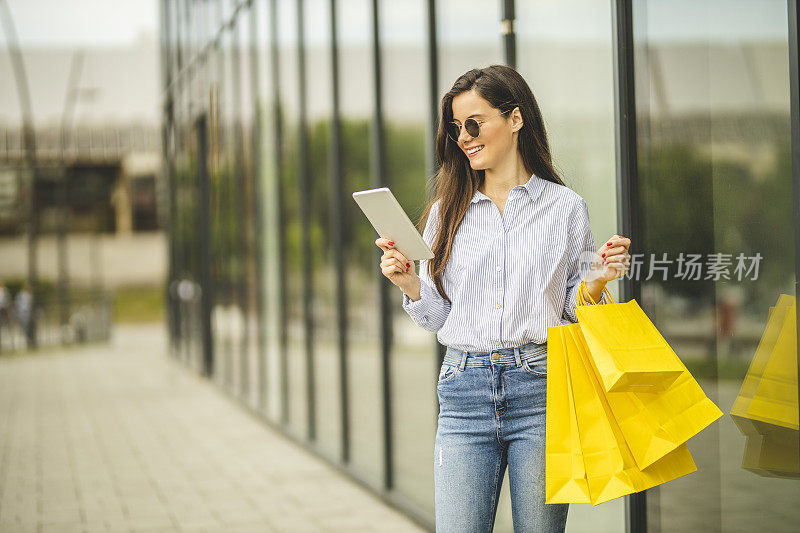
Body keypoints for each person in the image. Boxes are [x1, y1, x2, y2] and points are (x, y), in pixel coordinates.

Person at [375, 65, 631, 532]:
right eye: (456, 128)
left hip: (541, 389)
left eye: (474, 123)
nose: (464, 137)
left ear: (515, 119)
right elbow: (437, 317)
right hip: (463, 390)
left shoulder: (565, 207)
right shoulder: (444, 212)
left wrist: (596, 280)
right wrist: (410, 284)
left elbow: (573, 311)